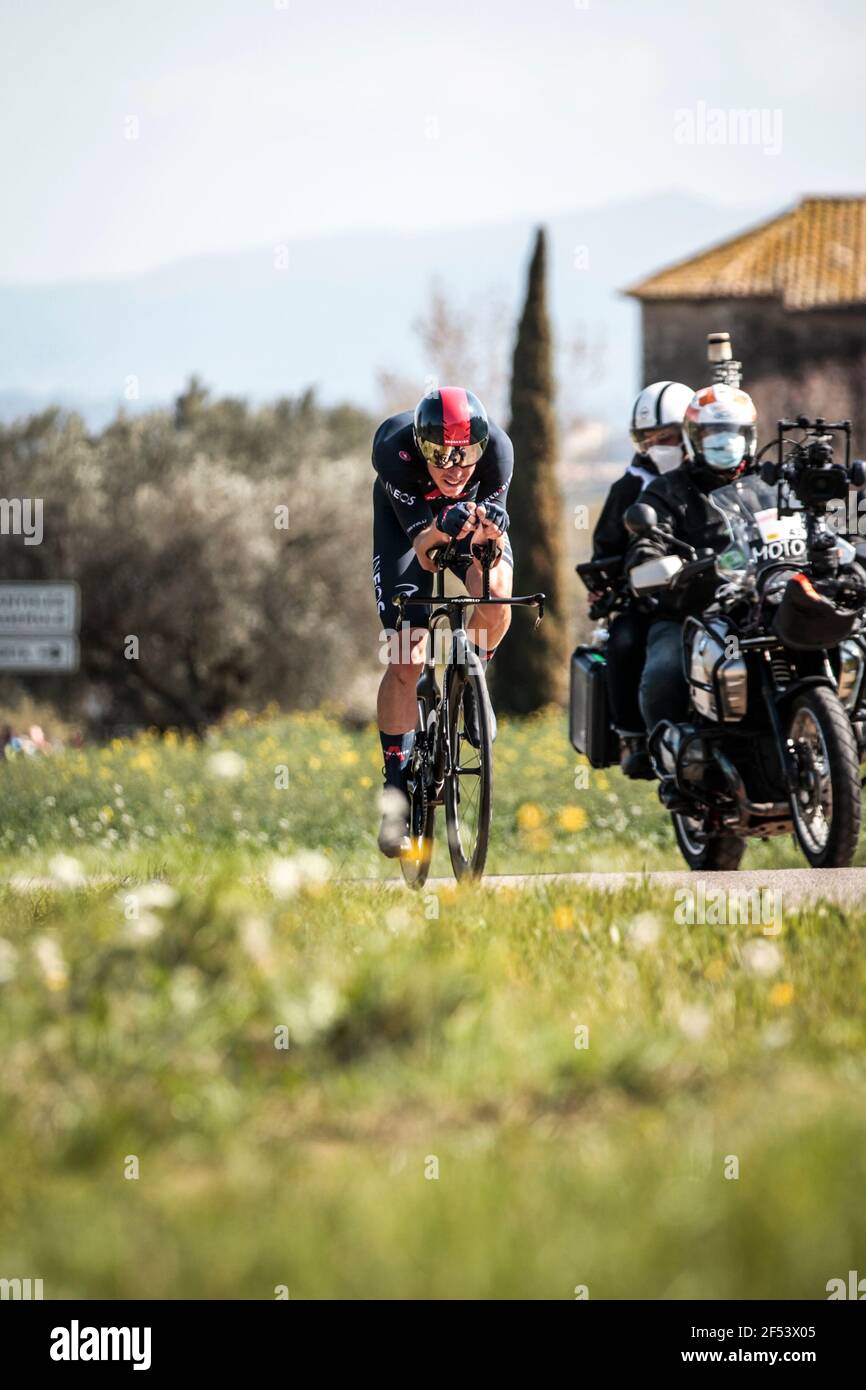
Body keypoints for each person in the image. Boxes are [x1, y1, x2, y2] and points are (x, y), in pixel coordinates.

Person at [372, 387, 514, 856]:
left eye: (465, 456)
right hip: (410, 529)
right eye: (440, 456)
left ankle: (475, 674)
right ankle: (396, 789)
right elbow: (428, 557)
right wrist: (444, 521)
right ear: (421, 445)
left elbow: (485, 559)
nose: (455, 468)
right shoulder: (393, 451)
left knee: (497, 595)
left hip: (467, 524)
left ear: (481, 446)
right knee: (406, 652)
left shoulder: (498, 453)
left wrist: (487, 537)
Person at [625, 383, 759, 739]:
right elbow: (645, 545)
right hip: (690, 614)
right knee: (664, 671)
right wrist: (657, 564)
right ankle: (671, 753)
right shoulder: (667, 490)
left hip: (762, 609)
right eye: (713, 433)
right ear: (694, 438)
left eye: (733, 433)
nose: (724, 441)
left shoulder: (770, 482)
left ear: (750, 436)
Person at [591, 380, 693, 776]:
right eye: (647, 439)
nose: (656, 447)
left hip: (715, 593)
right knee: (624, 639)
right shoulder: (629, 487)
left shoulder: (714, 478)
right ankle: (633, 736)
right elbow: (605, 548)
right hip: (650, 600)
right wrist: (617, 581)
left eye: (665, 436)